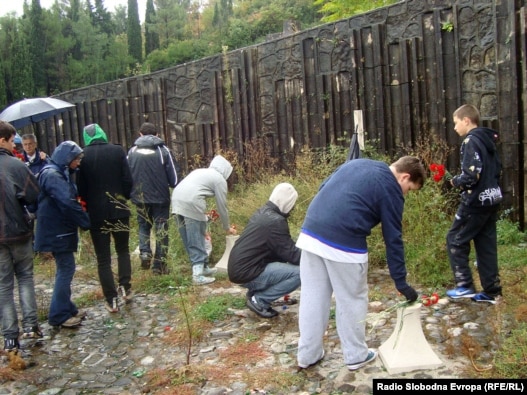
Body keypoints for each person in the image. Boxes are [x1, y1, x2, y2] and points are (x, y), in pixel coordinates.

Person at [295, 156, 426, 371]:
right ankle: (356, 355)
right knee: (351, 299)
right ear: (405, 177)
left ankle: (307, 355)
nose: (405, 193)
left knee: (313, 297)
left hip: (311, 232)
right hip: (345, 242)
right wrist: (401, 282)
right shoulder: (391, 187)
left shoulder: (358, 163)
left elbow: (324, 186)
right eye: (409, 189)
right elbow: (393, 238)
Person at [445, 104, 503, 303]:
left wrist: (455, 181)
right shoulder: (488, 141)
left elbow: (472, 175)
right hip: (492, 198)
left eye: (456, 123)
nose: (454, 128)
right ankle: (492, 291)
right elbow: (496, 170)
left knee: (455, 239)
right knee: (485, 244)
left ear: (466, 120)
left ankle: (465, 285)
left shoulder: (470, 141)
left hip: (476, 201)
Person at [77, 124, 134, 313]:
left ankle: (111, 299)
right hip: (119, 209)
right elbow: (128, 180)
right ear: (103, 133)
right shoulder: (117, 151)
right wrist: (123, 197)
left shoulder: (82, 156)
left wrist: (87, 203)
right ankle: (126, 287)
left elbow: (80, 188)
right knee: (123, 250)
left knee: (103, 259)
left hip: (96, 213)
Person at [34, 141, 91, 328]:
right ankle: (59, 315)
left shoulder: (56, 172)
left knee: (66, 268)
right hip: (57, 231)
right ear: (67, 159)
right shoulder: (53, 175)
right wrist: (84, 221)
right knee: (65, 270)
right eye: (76, 159)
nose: (78, 163)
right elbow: (67, 201)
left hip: (59, 230)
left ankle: (68, 308)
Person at [228, 183, 301, 318]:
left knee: (288, 266)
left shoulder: (263, 212)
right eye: (293, 204)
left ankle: (254, 293)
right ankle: (260, 300)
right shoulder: (275, 221)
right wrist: (312, 255)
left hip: (239, 268)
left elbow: (279, 250)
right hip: (246, 272)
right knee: (300, 273)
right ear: (287, 203)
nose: (293, 208)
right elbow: (293, 255)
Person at [0, 121, 42, 353]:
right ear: (3, 140)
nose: (14, 144)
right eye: (11, 140)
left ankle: (9, 338)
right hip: (18, 231)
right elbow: (34, 195)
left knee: (3, 286)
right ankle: (31, 326)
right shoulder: (16, 165)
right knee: (24, 277)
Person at [171, 154, 237, 285]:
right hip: (192, 203)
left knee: (188, 237)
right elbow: (222, 207)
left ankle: (204, 267)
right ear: (226, 170)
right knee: (197, 237)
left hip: (176, 201)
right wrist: (227, 227)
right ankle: (197, 275)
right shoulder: (219, 179)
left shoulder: (201, 171)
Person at [127, 122, 179, 275]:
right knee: (161, 231)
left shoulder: (132, 152)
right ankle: (159, 266)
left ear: (140, 134)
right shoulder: (163, 151)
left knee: (143, 226)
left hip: (139, 198)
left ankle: (144, 252)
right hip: (160, 199)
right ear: (157, 135)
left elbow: (127, 175)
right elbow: (174, 179)